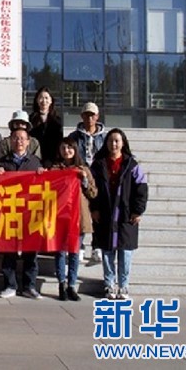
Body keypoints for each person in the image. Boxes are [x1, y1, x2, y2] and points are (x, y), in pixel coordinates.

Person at [89, 128, 147, 301]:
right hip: (105, 213)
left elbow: (142, 189)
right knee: (107, 252)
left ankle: (123, 286)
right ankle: (109, 284)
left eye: (117, 141)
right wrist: (94, 208)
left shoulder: (132, 165)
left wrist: (137, 210)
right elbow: (91, 189)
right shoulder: (98, 165)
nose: (113, 144)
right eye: (110, 140)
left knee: (125, 252)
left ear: (123, 143)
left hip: (126, 216)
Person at [0, 127, 44, 300]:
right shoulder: (4, 162)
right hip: (10, 211)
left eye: (22, 138)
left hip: (30, 211)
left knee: (31, 250)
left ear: (28, 142)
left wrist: (43, 175)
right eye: (15, 138)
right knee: (9, 250)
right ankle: (10, 285)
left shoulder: (35, 162)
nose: (19, 141)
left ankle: (29, 286)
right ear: (10, 141)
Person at [50, 137, 97, 301]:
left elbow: (93, 193)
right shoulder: (55, 169)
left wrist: (84, 179)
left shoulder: (83, 169)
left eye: (70, 147)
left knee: (74, 252)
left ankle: (71, 285)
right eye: (63, 148)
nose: (66, 151)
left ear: (75, 149)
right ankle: (61, 284)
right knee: (60, 252)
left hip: (78, 217)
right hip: (60, 216)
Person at [68, 101, 108, 264]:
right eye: (86, 115)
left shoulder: (105, 137)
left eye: (92, 115)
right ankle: (80, 246)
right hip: (80, 177)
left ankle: (97, 246)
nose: (89, 118)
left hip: (98, 178)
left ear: (97, 116)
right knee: (81, 213)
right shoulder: (74, 137)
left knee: (98, 213)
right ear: (81, 116)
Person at [29, 87, 63, 168]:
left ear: (51, 101)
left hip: (52, 159)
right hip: (34, 157)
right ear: (37, 100)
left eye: (46, 98)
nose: (44, 101)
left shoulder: (57, 120)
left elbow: (59, 140)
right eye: (41, 98)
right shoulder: (31, 118)